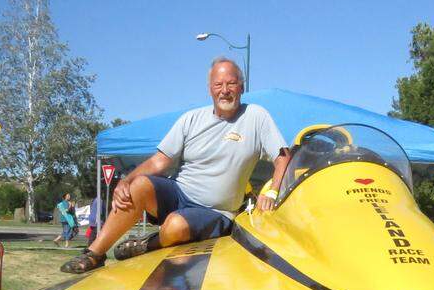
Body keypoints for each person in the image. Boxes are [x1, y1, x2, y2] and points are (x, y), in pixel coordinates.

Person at [61, 57, 291, 273]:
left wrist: (271, 191)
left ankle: (147, 244)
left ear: (241, 86)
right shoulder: (191, 119)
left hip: (216, 211)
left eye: (231, 83)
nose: (225, 90)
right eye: (218, 84)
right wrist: (126, 180)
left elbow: (282, 156)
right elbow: (159, 161)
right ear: (210, 88)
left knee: (174, 226)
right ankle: (94, 253)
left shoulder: (256, 116)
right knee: (136, 186)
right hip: (179, 193)